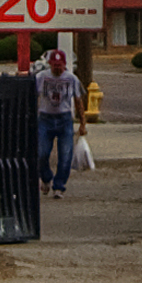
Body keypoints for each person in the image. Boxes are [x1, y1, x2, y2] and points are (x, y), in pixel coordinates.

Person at [36, 48, 83, 198]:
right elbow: (33, 96)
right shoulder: (41, 77)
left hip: (64, 118)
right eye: (54, 65)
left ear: (64, 64)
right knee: (41, 153)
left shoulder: (71, 78)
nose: (57, 68)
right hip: (45, 118)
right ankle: (46, 177)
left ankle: (59, 185)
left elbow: (78, 100)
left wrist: (82, 123)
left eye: (60, 65)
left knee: (66, 154)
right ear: (50, 64)